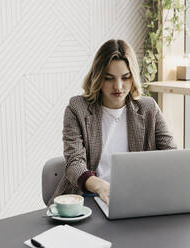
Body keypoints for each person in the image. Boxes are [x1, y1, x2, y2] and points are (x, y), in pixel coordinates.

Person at [49, 39, 176, 206]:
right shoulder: (77, 108)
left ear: (133, 77)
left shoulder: (148, 108)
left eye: (125, 77)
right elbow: (74, 162)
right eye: (109, 78)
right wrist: (101, 186)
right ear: (98, 77)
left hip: (138, 197)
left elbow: (172, 155)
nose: (118, 86)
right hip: (88, 198)